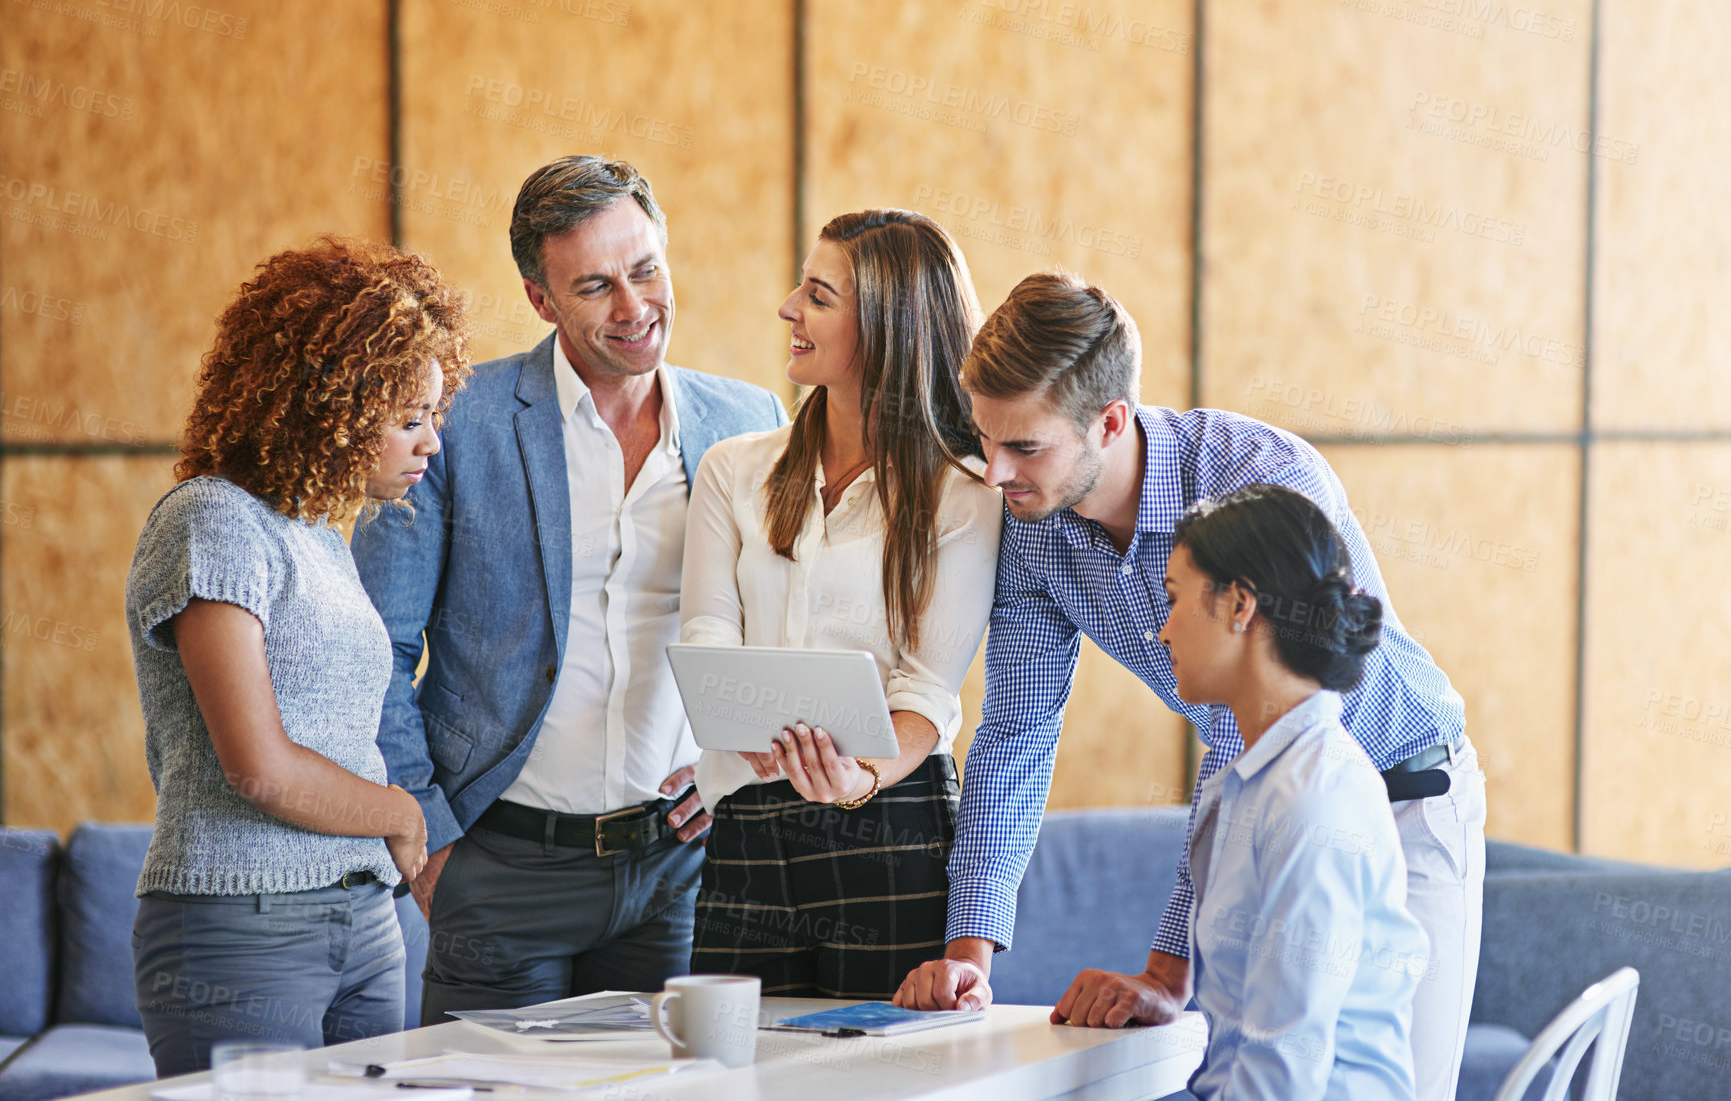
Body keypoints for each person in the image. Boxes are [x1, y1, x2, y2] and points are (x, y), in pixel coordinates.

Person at [894, 273, 1486, 1101]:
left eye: (1023, 446)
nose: (994, 473)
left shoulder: (1261, 479)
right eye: (984, 439)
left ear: (1108, 420)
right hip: (1270, 795)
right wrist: (968, 955)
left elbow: (1257, 732)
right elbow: (1016, 733)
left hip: (1403, 795)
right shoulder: (1032, 525)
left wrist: (1167, 969)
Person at [351, 156, 786, 1022]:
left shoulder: (753, 424)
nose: (633, 307)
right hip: (501, 865)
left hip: (678, 870)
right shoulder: (460, 421)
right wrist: (427, 841)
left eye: (646, 269)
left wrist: (732, 769)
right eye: (594, 286)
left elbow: (781, 631)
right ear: (540, 299)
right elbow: (377, 647)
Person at [126, 236, 469, 1072]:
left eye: (434, 416)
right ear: (332, 404)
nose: (430, 443)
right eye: (408, 418)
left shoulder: (317, 531)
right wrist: (399, 810)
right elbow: (260, 767)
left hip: (364, 918)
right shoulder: (212, 520)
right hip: (240, 918)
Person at [680, 210, 1001, 998]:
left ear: (887, 327)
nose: (788, 307)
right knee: (732, 1074)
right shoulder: (733, 470)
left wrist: (854, 778)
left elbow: (927, 695)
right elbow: (708, 635)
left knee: (887, 1073)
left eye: (818, 295)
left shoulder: (963, 492)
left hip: (891, 823)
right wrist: (744, 729)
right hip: (748, 828)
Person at [1164, 484, 1428, 1098]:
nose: (1162, 631)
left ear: (1239, 604)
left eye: (1175, 600)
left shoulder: (1313, 800)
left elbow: (1284, 1069)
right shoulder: (1255, 780)